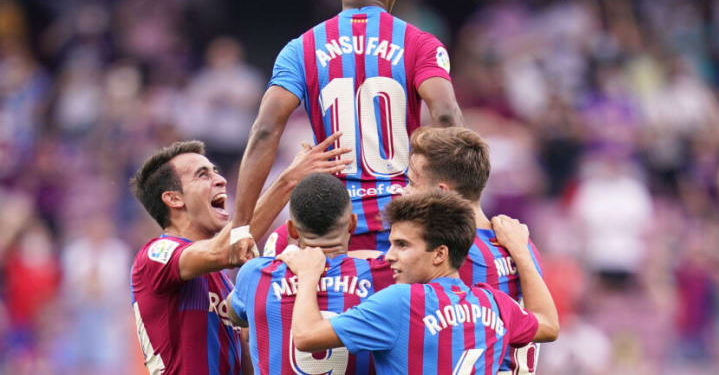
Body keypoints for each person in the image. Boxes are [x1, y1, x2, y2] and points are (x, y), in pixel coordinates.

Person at [235, 0, 463, 254]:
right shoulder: (420, 44)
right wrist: (457, 205)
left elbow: (265, 130)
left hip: (330, 228)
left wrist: (240, 228)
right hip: (404, 227)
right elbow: (444, 114)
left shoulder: (301, 49)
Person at [130, 137, 349, 375]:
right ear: (174, 198)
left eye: (216, 172)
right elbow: (226, 249)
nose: (221, 180)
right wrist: (289, 181)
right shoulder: (155, 256)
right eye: (203, 175)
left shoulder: (224, 281)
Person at [279, 190, 559, 375]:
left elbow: (305, 337)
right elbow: (548, 324)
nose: (389, 256)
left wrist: (307, 275)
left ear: (440, 253)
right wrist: (521, 251)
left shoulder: (401, 301)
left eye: (402, 245)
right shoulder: (497, 304)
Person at [405, 126, 545, 375]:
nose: (404, 192)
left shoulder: (453, 251)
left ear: (441, 191)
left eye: (413, 182)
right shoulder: (521, 243)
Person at [225, 173, 394, 375]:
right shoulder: (383, 275)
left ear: (292, 231)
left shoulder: (255, 275)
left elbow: (233, 312)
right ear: (352, 223)